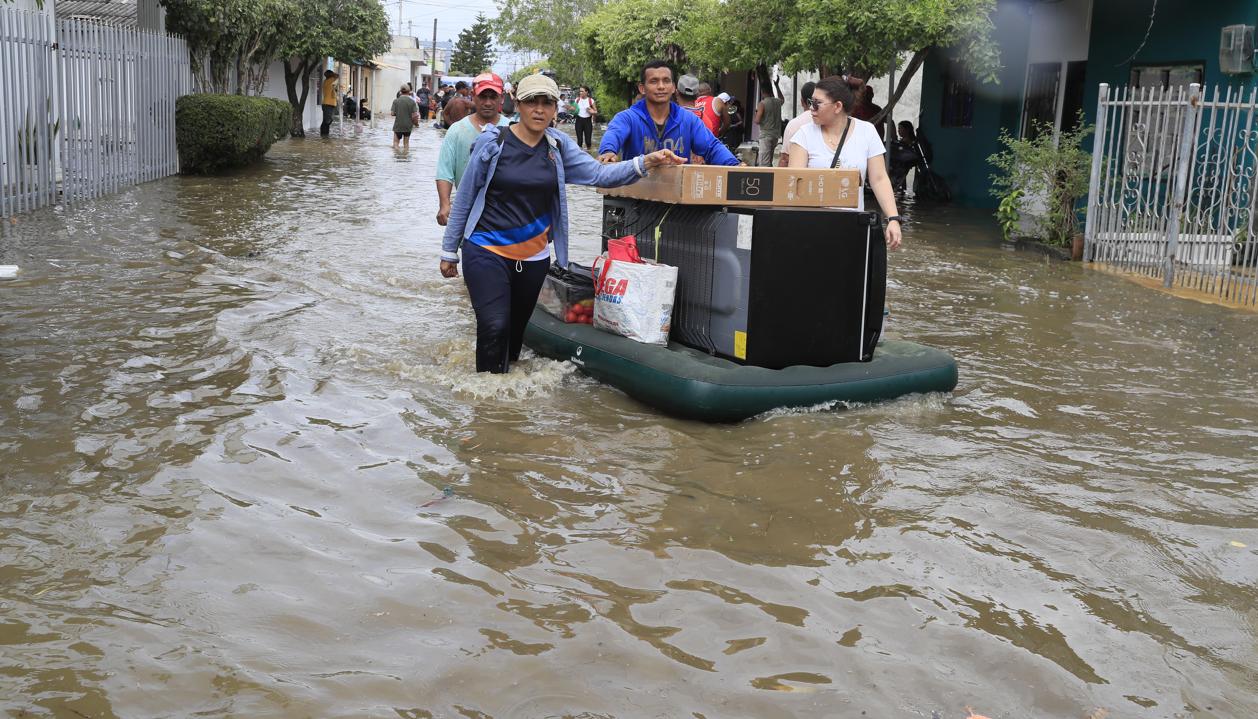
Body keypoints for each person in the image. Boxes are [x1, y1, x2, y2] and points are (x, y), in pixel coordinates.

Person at [439, 73, 685, 374]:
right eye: (532, 102)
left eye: (547, 103)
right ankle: (487, 407)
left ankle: (505, 402)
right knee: (494, 325)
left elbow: (599, 175)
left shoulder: (558, 146)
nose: (539, 110)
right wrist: (449, 251)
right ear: (518, 104)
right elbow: (465, 197)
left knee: (514, 335)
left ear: (556, 108)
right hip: (485, 250)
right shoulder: (493, 143)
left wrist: (646, 161)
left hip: (533, 259)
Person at [786, 75, 902, 250]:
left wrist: (893, 218)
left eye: (817, 103)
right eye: (811, 102)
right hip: (810, 228)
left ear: (837, 106)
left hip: (852, 228)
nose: (811, 108)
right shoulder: (803, 135)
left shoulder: (867, 133)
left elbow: (879, 179)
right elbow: (793, 185)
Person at [598, 60, 740, 166]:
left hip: (676, 198)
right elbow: (614, 133)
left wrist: (735, 165)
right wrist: (608, 151)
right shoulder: (627, 118)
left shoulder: (688, 120)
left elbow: (712, 147)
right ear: (642, 88)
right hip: (637, 196)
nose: (661, 86)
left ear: (673, 88)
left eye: (666, 81)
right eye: (654, 81)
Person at [435, 72, 513, 226]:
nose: (488, 102)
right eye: (483, 97)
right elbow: (445, 171)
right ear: (473, 96)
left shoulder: (513, 129)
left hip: (504, 211)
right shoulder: (457, 130)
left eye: (493, 97)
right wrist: (444, 204)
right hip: (467, 209)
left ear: (501, 98)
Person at [777, 81, 816, 167]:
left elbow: (785, 159)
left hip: (798, 175)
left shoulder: (794, 124)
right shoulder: (829, 123)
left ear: (802, 102)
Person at [753, 86, 784, 166]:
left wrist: (756, 113)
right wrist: (777, 86)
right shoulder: (777, 102)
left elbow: (757, 120)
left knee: (764, 162)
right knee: (769, 160)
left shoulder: (762, 103)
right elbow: (782, 99)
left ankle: (764, 178)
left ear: (763, 92)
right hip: (775, 135)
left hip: (765, 135)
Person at [391, 84, 417, 149]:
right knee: (406, 144)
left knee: (396, 143)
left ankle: (397, 156)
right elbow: (414, 115)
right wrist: (416, 123)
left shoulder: (396, 101)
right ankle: (405, 157)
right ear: (409, 92)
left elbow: (392, 113)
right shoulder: (412, 102)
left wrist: (399, 113)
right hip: (408, 126)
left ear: (400, 91)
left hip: (398, 125)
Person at [573, 86, 598, 151]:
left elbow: (596, 112)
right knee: (579, 141)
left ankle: (589, 154)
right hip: (579, 121)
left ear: (586, 92)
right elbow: (574, 110)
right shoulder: (577, 100)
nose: (580, 92)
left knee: (588, 141)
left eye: (582, 91)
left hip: (588, 121)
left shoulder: (591, 100)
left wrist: (591, 111)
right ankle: (579, 156)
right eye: (580, 91)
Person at [319, 69, 338, 137]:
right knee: (328, 120)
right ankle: (324, 134)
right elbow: (338, 75)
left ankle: (325, 134)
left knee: (328, 120)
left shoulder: (326, 81)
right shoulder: (331, 80)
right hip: (328, 104)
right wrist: (333, 74)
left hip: (329, 104)